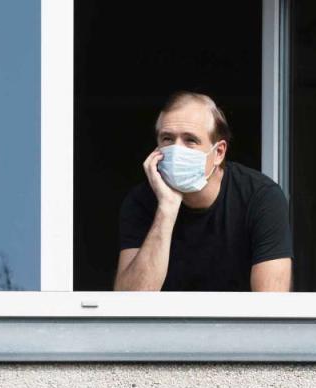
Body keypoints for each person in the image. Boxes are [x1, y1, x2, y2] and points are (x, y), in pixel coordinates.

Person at [114, 92, 292, 291]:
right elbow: (130, 304)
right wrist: (167, 208)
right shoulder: (142, 200)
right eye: (167, 139)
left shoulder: (261, 197)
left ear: (218, 152)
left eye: (190, 140)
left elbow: (271, 307)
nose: (176, 149)